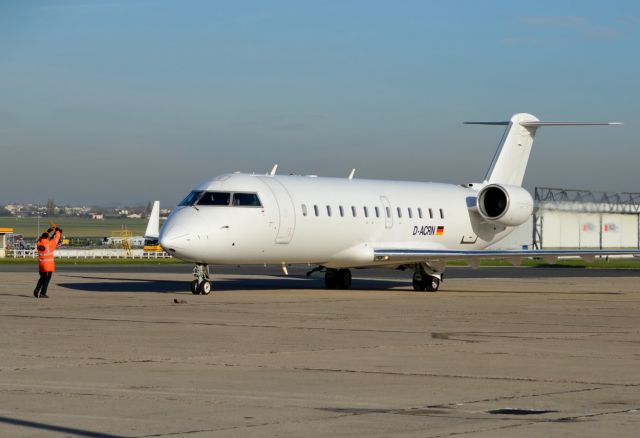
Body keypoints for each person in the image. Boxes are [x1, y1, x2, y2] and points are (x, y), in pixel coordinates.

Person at [34, 226, 63, 298]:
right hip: (48, 266)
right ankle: (42, 293)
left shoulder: (39, 243)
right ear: (47, 238)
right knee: (46, 280)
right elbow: (56, 238)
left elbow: (44, 236)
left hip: (41, 265)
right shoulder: (50, 244)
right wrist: (58, 231)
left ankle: (37, 289)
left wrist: (49, 230)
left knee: (42, 278)